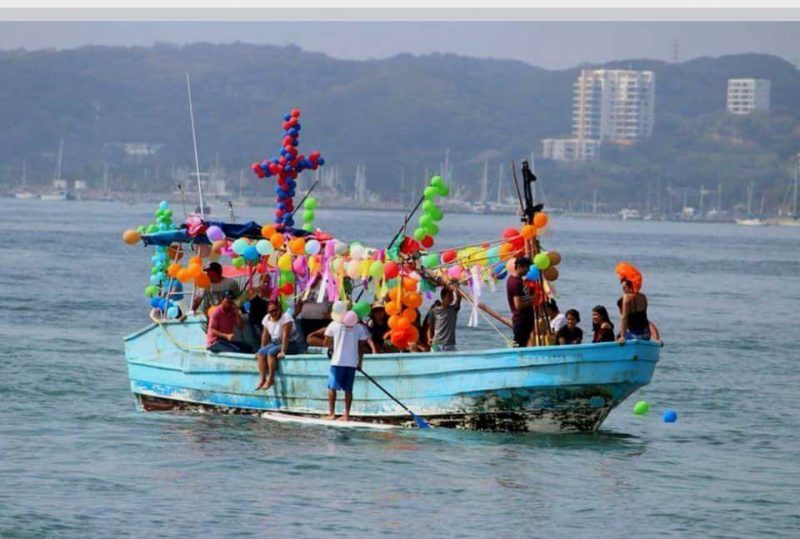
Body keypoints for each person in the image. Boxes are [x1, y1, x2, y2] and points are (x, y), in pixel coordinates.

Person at [324, 318, 370, 421]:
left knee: (332, 387)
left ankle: (332, 413)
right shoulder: (359, 327)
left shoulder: (334, 324)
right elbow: (361, 347)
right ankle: (347, 415)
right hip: (352, 362)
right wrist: (360, 362)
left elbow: (326, 342)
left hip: (337, 361)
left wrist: (335, 344)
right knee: (348, 389)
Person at [255, 300, 307, 390]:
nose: (273, 313)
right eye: (271, 311)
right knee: (261, 353)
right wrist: (262, 348)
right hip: (275, 342)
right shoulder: (267, 318)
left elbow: (285, 336)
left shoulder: (286, 318)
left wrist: (283, 351)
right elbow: (265, 335)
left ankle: (271, 379)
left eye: (275, 310)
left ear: (279, 309)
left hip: (291, 344)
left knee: (271, 353)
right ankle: (262, 379)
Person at [615, 262, 650, 343]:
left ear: (631, 287)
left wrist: (622, 337)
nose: (623, 291)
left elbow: (624, 318)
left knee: (617, 337)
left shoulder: (626, 298)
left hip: (634, 335)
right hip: (646, 334)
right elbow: (644, 317)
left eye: (624, 288)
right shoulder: (643, 297)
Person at [506, 256, 535, 348]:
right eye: (527, 267)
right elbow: (518, 305)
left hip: (525, 320)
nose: (528, 270)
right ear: (519, 266)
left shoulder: (517, 280)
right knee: (519, 344)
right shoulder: (515, 283)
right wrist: (532, 300)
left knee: (522, 343)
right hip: (522, 320)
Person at [428, 283, 462, 352]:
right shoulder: (434, 310)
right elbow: (430, 328)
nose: (451, 298)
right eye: (449, 296)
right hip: (437, 345)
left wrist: (455, 288)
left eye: (452, 296)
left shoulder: (453, 310)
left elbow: (459, 298)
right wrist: (429, 338)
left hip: (450, 346)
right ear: (443, 297)